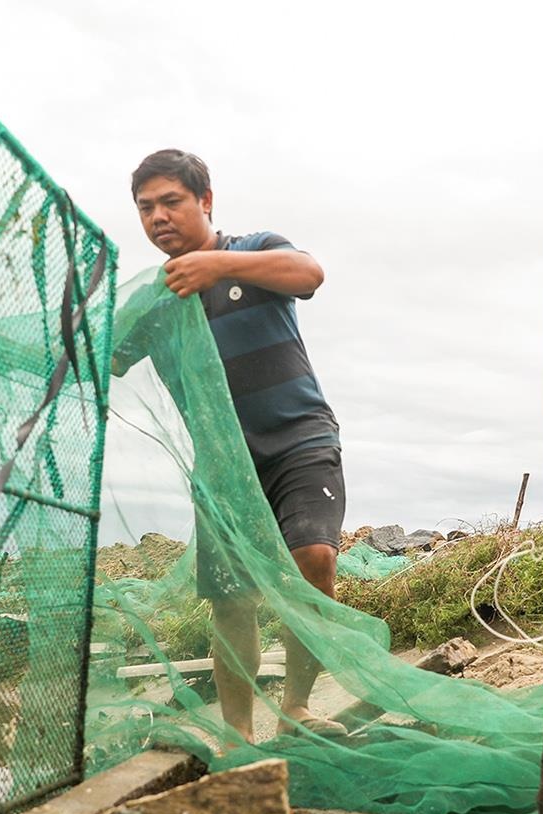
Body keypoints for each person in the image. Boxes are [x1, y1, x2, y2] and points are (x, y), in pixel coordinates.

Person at [130, 149, 344, 743]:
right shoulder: (155, 299)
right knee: (232, 602)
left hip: (300, 437)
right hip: (224, 465)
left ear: (205, 200)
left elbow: (309, 274)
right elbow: (101, 357)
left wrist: (217, 267)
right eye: (146, 208)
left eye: (171, 201)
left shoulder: (253, 251)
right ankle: (237, 734)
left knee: (315, 560)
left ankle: (297, 709)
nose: (158, 217)